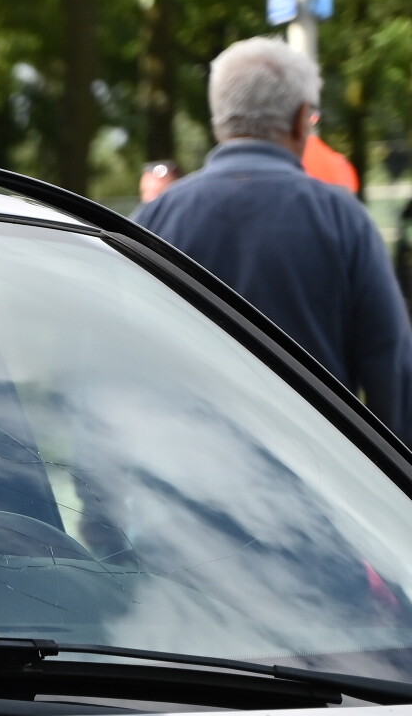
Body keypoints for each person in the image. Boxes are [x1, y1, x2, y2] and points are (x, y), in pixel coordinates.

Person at [136, 38, 412, 435]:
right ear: (302, 119)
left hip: (185, 476)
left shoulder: (153, 220)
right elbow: (391, 369)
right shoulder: (344, 220)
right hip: (316, 480)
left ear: (220, 120)